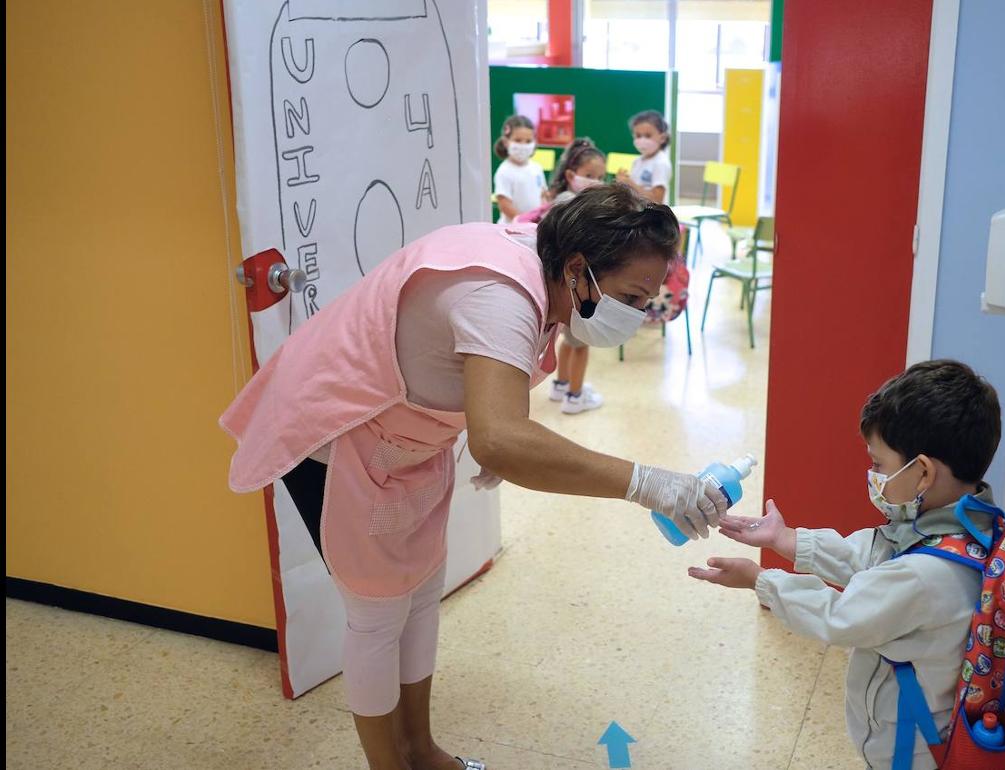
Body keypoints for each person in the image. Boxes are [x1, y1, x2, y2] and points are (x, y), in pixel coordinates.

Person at [221, 184, 728, 770]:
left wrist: (499, 427)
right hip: (339, 434)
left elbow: (495, 391)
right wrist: (647, 483)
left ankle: (421, 750)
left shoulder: (547, 271)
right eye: (631, 297)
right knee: (377, 615)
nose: (637, 317)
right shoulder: (499, 293)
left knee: (420, 595)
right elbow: (502, 436)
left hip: (406, 441)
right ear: (577, 269)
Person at [689, 360, 1003, 770]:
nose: (872, 474)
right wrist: (787, 540)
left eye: (879, 465)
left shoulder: (926, 577)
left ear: (923, 472)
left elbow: (840, 616)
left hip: (911, 751)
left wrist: (761, 581)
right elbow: (870, 557)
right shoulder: (966, 524)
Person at [520, 138, 611, 414]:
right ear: (571, 175)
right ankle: (575, 395)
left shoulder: (560, 200)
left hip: (559, 289)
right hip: (577, 290)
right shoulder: (577, 208)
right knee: (581, 344)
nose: (596, 182)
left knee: (568, 339)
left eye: (600, 177)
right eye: (590, 176)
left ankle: (561, 385)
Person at [492, 115, 546, 224]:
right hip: (512, 229)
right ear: (506, 142)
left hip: (533, 226)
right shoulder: (504, 171)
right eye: (518, 140)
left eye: (528, 141)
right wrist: (522, 221)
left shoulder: (537, 168)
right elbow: (504, 203)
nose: (523, 145)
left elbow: (543, 194)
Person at [616, 110, 671, 204]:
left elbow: (657, 200)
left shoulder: (660, 162)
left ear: (662, 138)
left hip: (652, 215)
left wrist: (630, 184)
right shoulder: (638, 161)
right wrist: (623, 182)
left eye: (648, 135)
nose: (642, 140)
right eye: (638, 136)